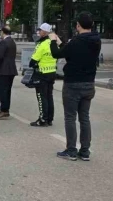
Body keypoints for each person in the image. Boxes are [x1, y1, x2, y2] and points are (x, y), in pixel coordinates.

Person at [49, 12, 102, 161]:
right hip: (89, 83)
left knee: (70, 117)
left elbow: (56, 54)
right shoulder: (96, 40)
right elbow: (72, 53)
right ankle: (85, 151)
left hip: (73, 84)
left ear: (78, 25)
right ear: (92, 25)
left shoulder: (76, 41)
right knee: (84, 117)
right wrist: (62, 43)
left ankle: (71, 150)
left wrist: (53, 41)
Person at [28, 23, 57, 127]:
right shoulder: (53, 43)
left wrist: (33, 63)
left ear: (44, 32)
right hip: (52, 73)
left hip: (42, 74)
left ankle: (43, 119)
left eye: (40, 30)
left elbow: (33, 61)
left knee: (41, 97)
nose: (38, 32)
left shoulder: (42, 44)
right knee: (49, 96)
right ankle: (49, 119)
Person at [0, 27, 18, 120]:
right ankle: (5, 109)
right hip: (11, 69)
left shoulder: (3, 42)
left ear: (3, 32)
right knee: (7, 91)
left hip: (4, 69)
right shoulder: (12, 41)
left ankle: (4, 111)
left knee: (2, 90)